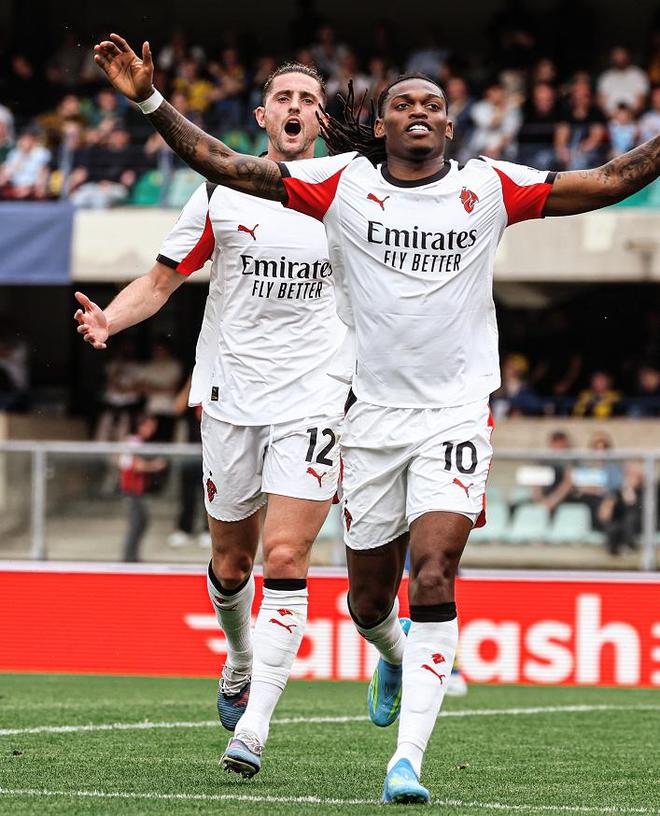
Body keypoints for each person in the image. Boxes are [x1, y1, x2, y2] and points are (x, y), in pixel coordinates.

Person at [93, 34, 660, 804]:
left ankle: (392, 760)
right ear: (381, 125)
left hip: (430, 412)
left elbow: (614, 177)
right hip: (355, 419)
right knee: (357, 600)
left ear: (450, 125)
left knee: (421, 570)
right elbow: (224, 167)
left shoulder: (492, 186)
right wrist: (151, 101)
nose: (419, 111)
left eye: (433, 104)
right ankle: (377, 649)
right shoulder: (339, 186)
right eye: (403, 104)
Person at [74, 58, 346, 780]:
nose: (294, 106)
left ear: (322, 119)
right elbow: (162, 279)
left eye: (307, 98)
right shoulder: (221, 192)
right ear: (263, 116)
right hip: (231, 396)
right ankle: (239, 656)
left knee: (285, 559)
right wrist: (111, 320)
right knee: (232, 567)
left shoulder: (350, 192)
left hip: (316, 395)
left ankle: (254, 729)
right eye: (282, 97)